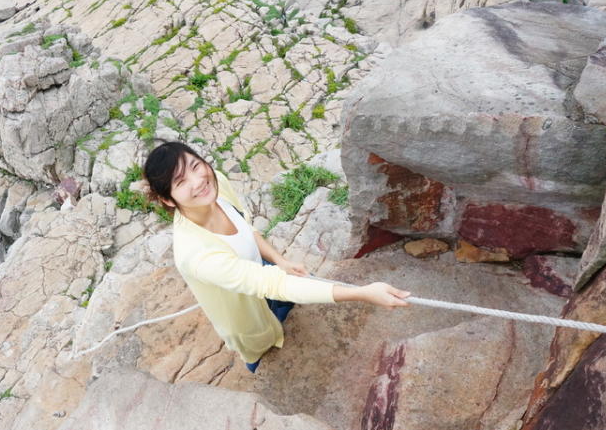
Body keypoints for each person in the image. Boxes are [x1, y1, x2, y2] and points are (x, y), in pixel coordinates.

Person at [142, 141, 411, 374]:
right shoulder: (196, 253)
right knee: (260, 345)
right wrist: (364, 293)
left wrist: (279, 261)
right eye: (181, 182)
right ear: (168, 200)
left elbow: (247, 228)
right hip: (246, 308)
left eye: (195, 166)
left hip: (264, 273)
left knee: (285, 303)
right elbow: (273, 285)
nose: (198, 180)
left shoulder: (216, 186)